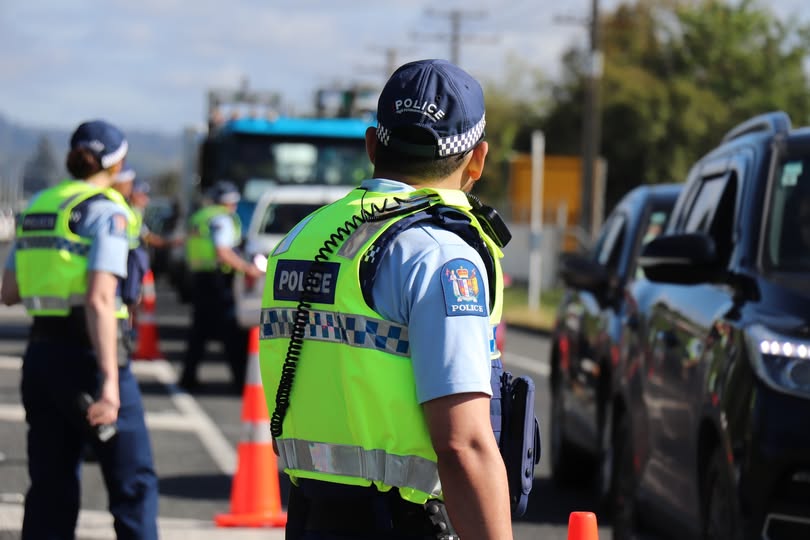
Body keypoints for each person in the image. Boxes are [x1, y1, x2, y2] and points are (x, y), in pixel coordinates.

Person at [259, 59, 513, 539]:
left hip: (311, 517)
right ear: (477, 159)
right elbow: (465, 444)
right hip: (404, 523)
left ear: (374, 144)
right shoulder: (442, 257)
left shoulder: (300, 238)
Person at [0, 119, 159, 539]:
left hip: (41, 357)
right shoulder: (107, 211)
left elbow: (10, 291)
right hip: (91, 357)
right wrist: (110, 384)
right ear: (117, 160)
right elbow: (99, 299)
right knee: (133, 486)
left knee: (50, 489)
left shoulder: (39, 205)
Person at [181, 180, 263, 392]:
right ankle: (240, 381)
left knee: (199, 331)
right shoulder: (222, 219)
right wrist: (247, 268)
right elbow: (223, 251)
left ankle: (188, 378)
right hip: (217, 281)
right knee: (232, 331)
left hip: (200, 277)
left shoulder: (202, 216)